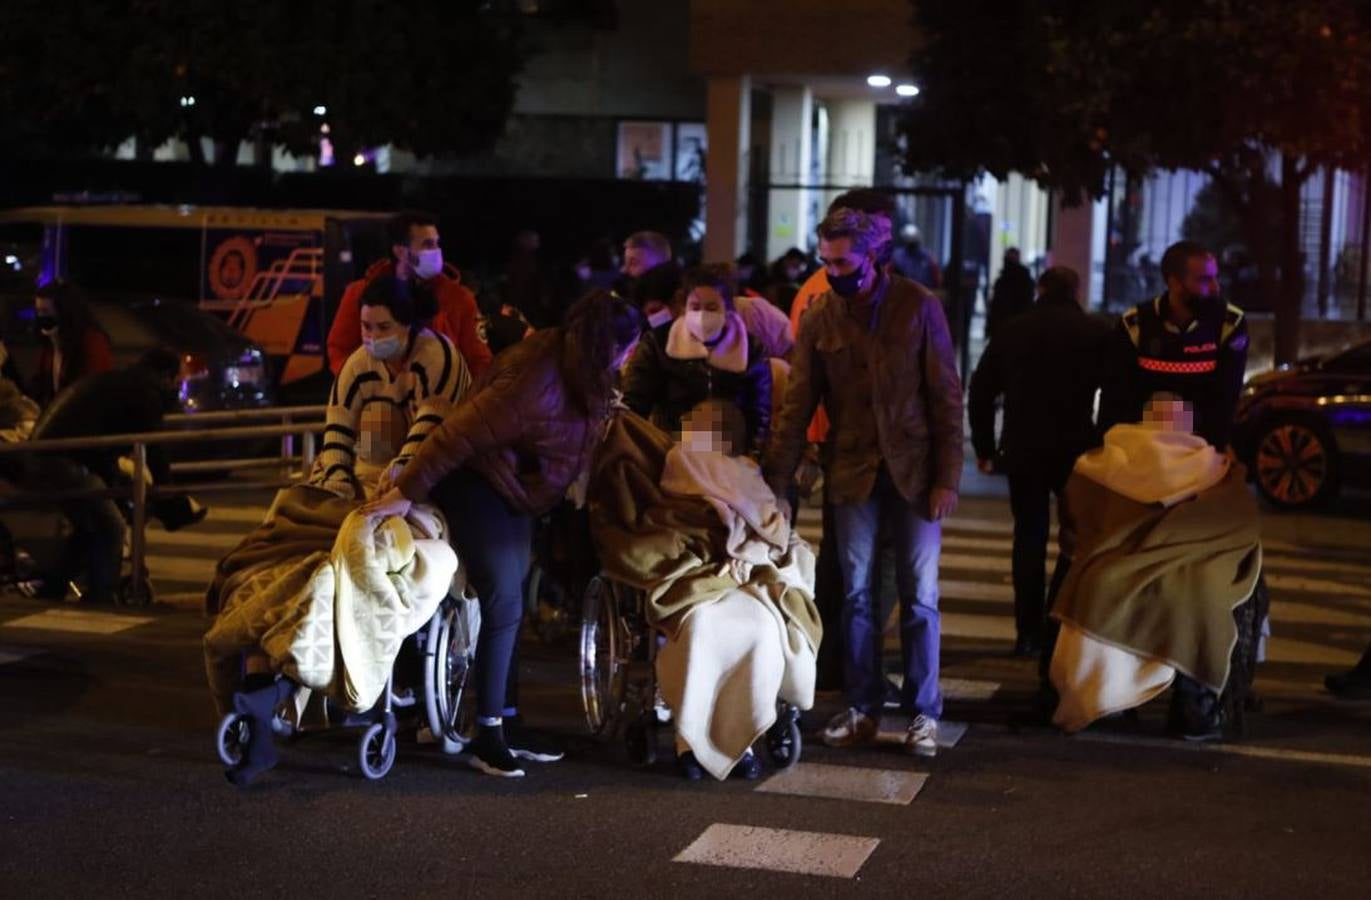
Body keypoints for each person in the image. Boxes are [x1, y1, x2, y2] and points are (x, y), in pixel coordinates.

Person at [361, 291, 644, 778]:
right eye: (629, 347)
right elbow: (459, 434)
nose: (631, 356)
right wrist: (406, 491)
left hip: (514, 493)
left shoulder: (580, 369)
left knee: (515, 603)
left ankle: (509, 722)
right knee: (503, 600)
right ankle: (487, 735)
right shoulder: (539, 377)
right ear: (608, 345)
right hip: (477, 485)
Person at [765, 206, 964, 757]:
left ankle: (924, 712)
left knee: (919, 596)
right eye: (826, 261)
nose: (834, 271)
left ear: (874, 257)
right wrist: (776, 484)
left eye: (844, 261)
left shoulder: (918, 307)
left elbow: (946, 396)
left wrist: (947, 475)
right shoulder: (820, 318)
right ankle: (863, 707)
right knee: (854, 597)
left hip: (915, 471)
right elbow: (797, 406)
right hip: (851, 471)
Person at [1047, 394, 1264, 741]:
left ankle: (1108, 696)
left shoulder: (1103, 462)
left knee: (1100, 584)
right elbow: (1240, 522)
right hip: (1190, 566)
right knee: (1203, 596)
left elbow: (1078, 523)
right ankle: (1195, 705)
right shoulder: (1213, 467)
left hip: (1114, 566)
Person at [785, 189, 897, 692]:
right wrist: (802, 448)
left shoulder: (894, 294)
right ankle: (842, 666)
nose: (887, 236)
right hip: (844, 447)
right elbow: (804, 383)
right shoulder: (822, 295)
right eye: (881, 225)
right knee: (856, 569)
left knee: (849, 565)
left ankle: (839, 665)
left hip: (866, 447)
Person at [969, 266, 1111, 657]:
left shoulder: (1014, 330)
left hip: (1024, 448)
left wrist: (984, 448)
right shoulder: (1096, 333)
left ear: (1040, 288)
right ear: (1077, 290)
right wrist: (1104, 441)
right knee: (1076, 539)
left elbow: (980, 392)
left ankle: (1027, 631)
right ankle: (1059, 619)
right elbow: (1117, 393)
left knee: (1028, 539)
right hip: (1077, 451)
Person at [28, 348, 206, 603]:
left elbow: (102, 435)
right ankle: (101, 594)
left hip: (49, 455)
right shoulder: (145, 394)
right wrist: (168, 493)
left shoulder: (121, 382)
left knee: (90, 525)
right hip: (64, 460)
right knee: (110, 526)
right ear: (166, 376)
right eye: (178, 379)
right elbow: (153, 448)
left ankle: (53, 588)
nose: (179, 386)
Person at [311, 274, 471, 502]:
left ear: (406, 325)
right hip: (373, 467)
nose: (373, 337)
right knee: (377, 417)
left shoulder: (438, 356)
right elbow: (338, 426)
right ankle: (364, 491)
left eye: (384, 327)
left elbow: (431, 427)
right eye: (366, 327)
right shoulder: (358, 364)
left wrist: (402, 471)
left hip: (438, 464)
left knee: (382, 417)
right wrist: (337, 478)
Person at [1099, 239, 1249, 450]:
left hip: (1201, 448)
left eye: (1215, 277)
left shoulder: (1228, 324)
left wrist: (1211, 452)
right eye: (1205, 280)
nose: (1216, 287)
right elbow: (1116, 396)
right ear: (1175, 282)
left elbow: (1226, 398)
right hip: (1142, 445)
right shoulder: (1136, 325)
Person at [622, 264, 773, 455]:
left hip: (730, 456)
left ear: (727, 310)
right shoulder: (658, 344)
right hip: (671, 452)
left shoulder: (751, 349)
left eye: (711, 308)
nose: (702, 315)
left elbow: (759, 413)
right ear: (684, 308)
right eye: (695, 307)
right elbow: (635, 405)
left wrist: (752, 456)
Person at [327, 210, 491, 379]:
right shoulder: (359, 293)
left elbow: (479, 360)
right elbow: (340, 350)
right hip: (375, 401)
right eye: (428, 244)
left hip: (440, 402)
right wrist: (362, 385)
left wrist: (461, 396)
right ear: (400, 251)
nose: (437, 251)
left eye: (437, 243)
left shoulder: (459, 299)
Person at [29, 280, 114, 407]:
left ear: (64, 312)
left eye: (45, 311)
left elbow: (90, 392)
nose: (41, 317)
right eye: (38, 311)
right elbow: (41, 386)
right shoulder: (51, 343)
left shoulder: (92, 342)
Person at [985, 247, 1036, 341]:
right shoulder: (1026, 280)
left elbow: (996, 307)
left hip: (1004, 326)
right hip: (1019, 326)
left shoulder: (1002, 281)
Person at [890, 224, 943, 290]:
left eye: (914, 242)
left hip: (925, 291)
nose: (912, 246)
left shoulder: (927, 256)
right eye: (910, 243)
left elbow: (937, 277)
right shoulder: (897, 256)